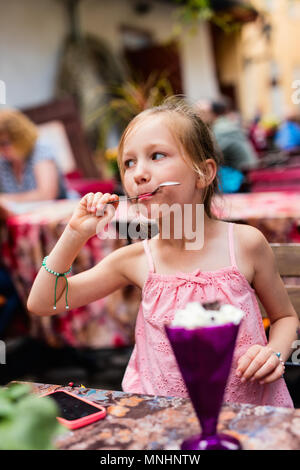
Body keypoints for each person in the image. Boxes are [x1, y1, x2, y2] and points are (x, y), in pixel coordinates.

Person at [27, 98, 298, 407]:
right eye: (129, 163)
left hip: (251, 414)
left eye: (156, 156)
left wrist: (274, 352)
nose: (138, 173)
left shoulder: (246, 244)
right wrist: (74, 235)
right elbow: (43, 302)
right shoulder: (135, 260)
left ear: (204, 173)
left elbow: (285, 317)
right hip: (165, 421)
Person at [0, 109, 71, 207]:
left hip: (60, 212)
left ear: (19, 137)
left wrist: (7, 199)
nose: (1, 149)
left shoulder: (40, 150)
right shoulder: (3, 162)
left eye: (4, 143)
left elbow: (47, 194)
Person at [197, 98, 258, 171]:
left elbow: (211, 153)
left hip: (242, 173)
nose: (198, 116)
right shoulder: (225, 124)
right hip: (246, 168)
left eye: (202, 112)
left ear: (212, 113)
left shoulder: (221, 129)